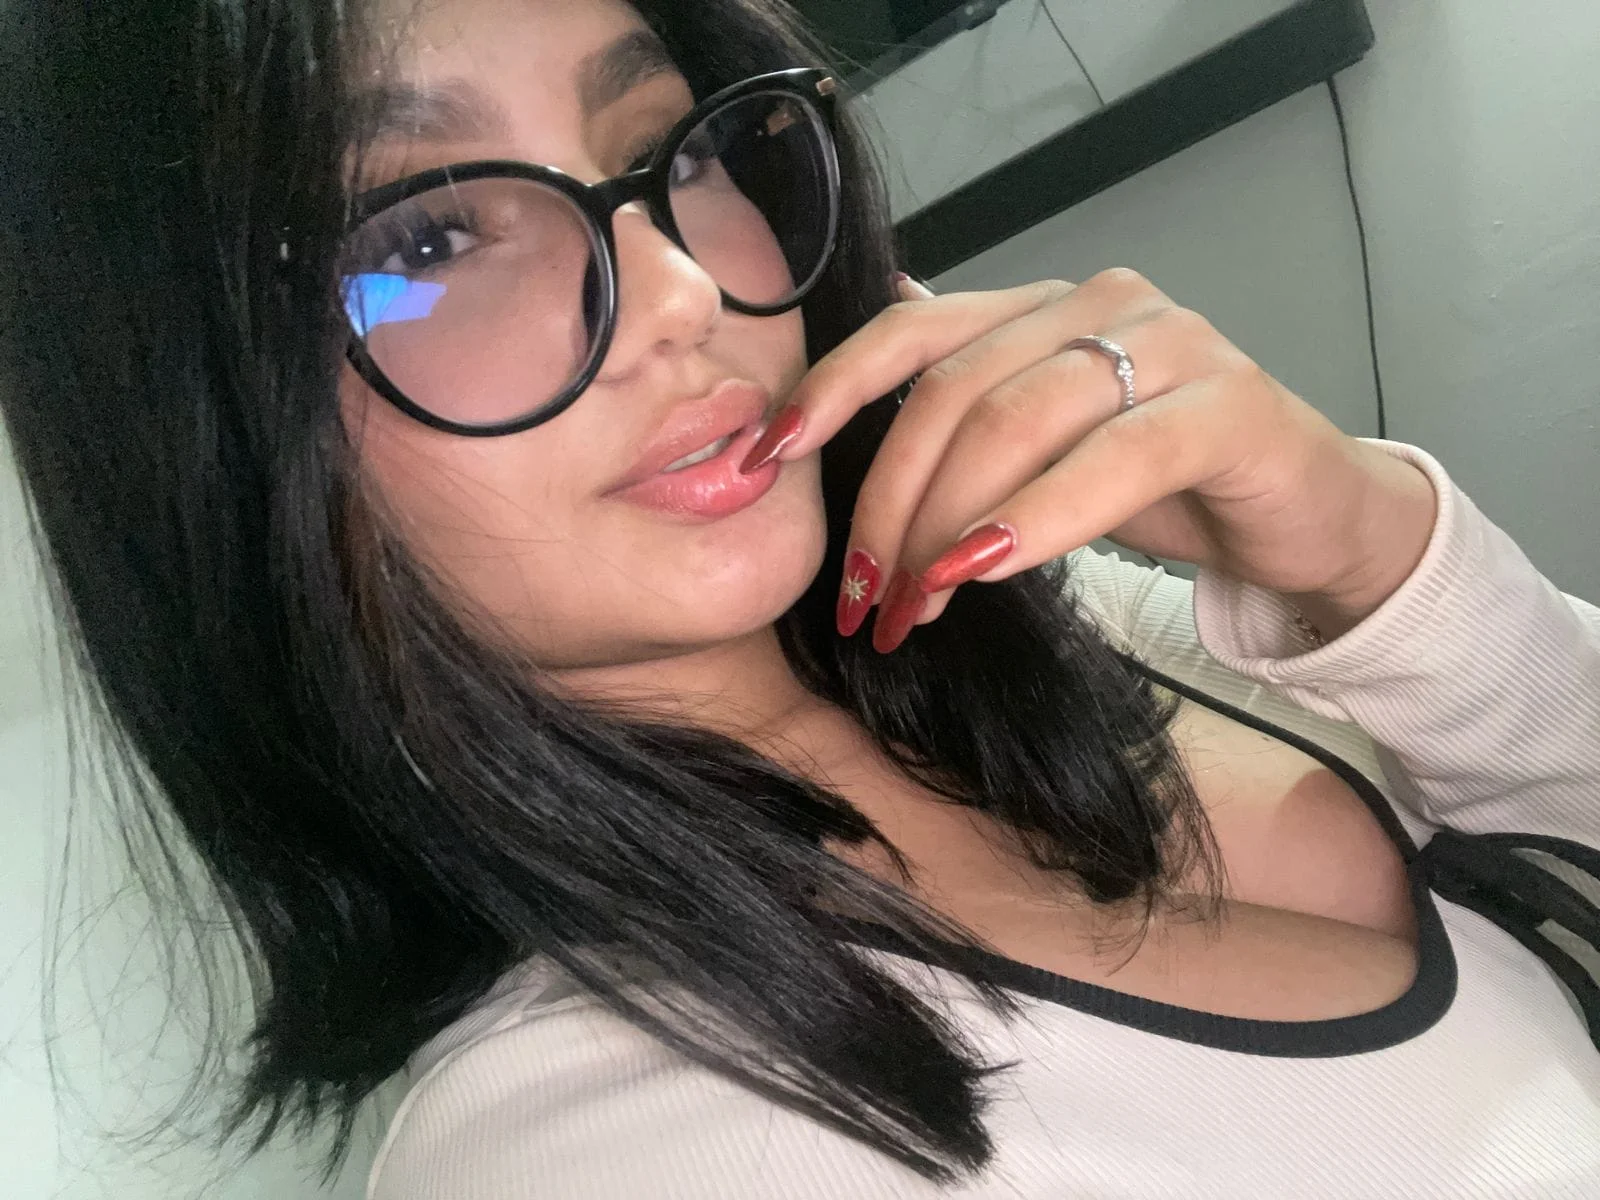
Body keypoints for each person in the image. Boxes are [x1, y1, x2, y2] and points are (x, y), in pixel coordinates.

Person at [1, 0, 1596, 1197]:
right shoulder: (607, 1144)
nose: (685, 287)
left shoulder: (1046, 623)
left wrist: (1372, 558)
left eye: (673, 153)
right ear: (202, 439)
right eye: (426, 235)